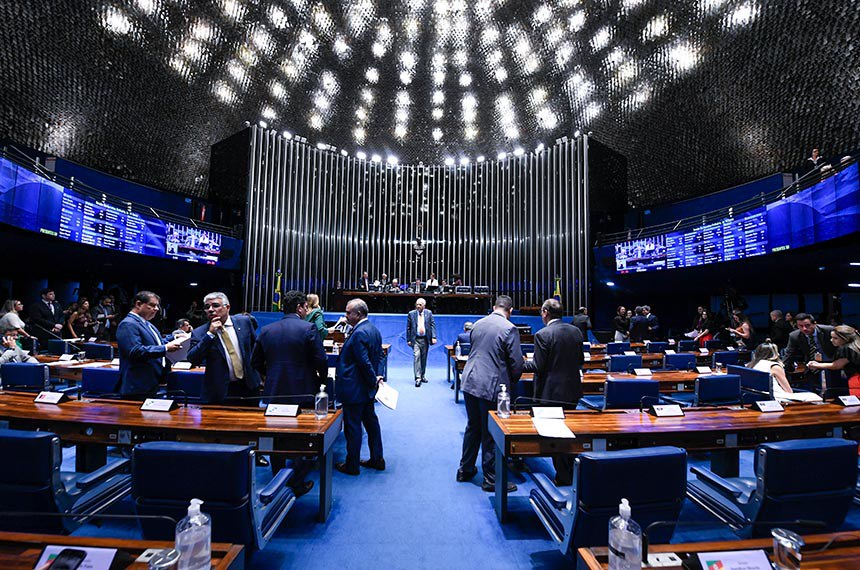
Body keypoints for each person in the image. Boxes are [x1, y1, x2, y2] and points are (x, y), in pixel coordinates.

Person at [252, 290, 327, 492]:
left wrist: (271, 377)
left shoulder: (266, 330)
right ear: (299, 308)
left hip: (274, 392)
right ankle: (297, 481)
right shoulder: (308, 328)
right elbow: (321, 360)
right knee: (302, 437)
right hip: (303, 391)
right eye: (305, 307)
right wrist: (320, 379)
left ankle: (278, 477)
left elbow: (255, 361)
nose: (306, 311)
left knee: (277, 436)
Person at [457, 295, 522, 492]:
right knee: (490, 432)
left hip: (470, 380)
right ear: (509, 311)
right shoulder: (509, 328)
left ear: (494, 307)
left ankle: (465, 469)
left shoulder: (477, 324)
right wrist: (512, 381)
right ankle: (491, 479)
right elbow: (516, 364)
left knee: (473, 427)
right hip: (491, 385)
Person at [523, 299, 583, 485]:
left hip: (549, 392)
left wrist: (520, 363)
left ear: (545, 312)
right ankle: (572, 471)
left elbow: (538, 366)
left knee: (554, 435)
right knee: (569, 430)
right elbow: (580, 360)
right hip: (572, 390)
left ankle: (563, 476)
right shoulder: (576, 331)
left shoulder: (543, 334)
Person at [334, 299, 386, 476]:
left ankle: (352, 465)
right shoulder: (374, 330)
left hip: (355, 389)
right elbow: (380, 357)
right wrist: (378, 377)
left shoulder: (358, 333)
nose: (346, 315)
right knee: (371, 424)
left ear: (359, 314)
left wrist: (373, 379)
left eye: (349, 313)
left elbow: (364, 362)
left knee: (353, 427)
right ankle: (377, 458)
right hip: (366, 389)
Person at [186, 292, 261, 405]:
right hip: (220, 391)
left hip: (249, 387)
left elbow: (256, 350)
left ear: (227, 307)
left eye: (215, 305)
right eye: (207, 307)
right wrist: (210, 335)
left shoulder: (244, 322)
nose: (210, 309)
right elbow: (193, 359)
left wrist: (260, 377)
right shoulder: (200, 332)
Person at [117, 291, 184, 399]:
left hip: (151, 380)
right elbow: (135, 351)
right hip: (137, 384)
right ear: (138, 304)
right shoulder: (128, 324)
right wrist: (165, 348)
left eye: (157, 306)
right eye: (152, 305)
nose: (157, 309)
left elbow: (156, 343)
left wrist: (174, 339)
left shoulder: (146, 323)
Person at [783, 312, 836, 391]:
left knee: (833, 390)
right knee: (814, 390)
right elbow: (789, 354)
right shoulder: (794, 336)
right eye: (800, 326)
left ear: (814, 324)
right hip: (811, 366)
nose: (804, 328)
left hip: (831, 364)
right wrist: (781, 370)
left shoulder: (829, 330)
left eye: (807, 325)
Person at [806, 325, 860, 396]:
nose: (831, 340)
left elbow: (836, 365)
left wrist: (816, 365)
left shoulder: (847, 348)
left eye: (835, 338)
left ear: (845, 338)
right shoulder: (855, 345)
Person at [406, 298, 437, 387]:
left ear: (424, 305)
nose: (418, 306)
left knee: (424, 358)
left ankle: (422, 375)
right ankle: (418, 378)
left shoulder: (429, 313)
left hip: (425, 339)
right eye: (417, 304)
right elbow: (408, 328)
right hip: (415, 339)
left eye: (420, 304)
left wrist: (434, 337)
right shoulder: (411, 314)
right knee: (417, 356)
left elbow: (432, 325)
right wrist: (408, 339)